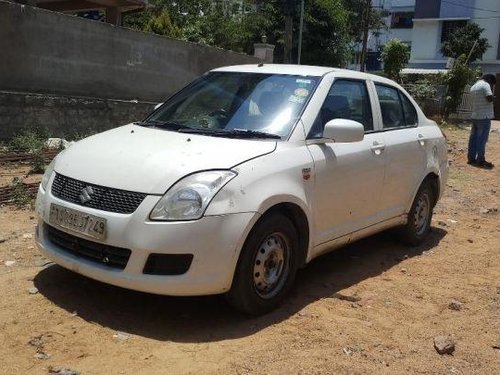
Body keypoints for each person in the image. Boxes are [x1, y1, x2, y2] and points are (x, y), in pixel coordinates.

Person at [468, 74, 496, 169]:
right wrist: (494, 98)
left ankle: (471, 158)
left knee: (473, 138)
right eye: (492, 83)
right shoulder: (485, 85)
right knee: (482, 139)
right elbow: (489, 98)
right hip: (484, 117)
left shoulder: (473, 87)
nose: (492, 86)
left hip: (475, 115)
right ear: (489, 80)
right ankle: (480, 160)